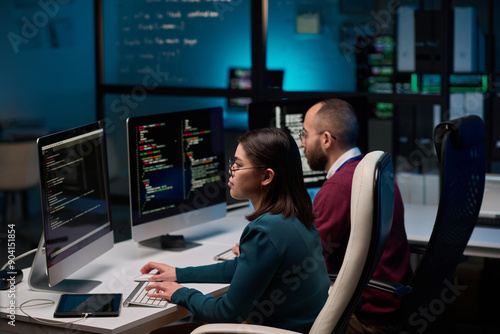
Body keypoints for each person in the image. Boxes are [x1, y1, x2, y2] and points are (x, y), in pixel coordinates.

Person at [141, 128, 331, 333]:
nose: (231, 169)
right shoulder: (295, 214)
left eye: (239, 165)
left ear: (266, 177)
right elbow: (240, 268)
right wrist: (178, 273)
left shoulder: (266, 230)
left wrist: (181, 293)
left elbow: (226, 313)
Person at [300, 98, 412, 334]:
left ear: (326, 139)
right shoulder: (374, 172)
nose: (302, 144)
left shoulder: (338, 188)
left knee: (262, 311)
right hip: (391, 307)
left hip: (366, 319)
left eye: (304, 134)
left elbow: (307, 264)